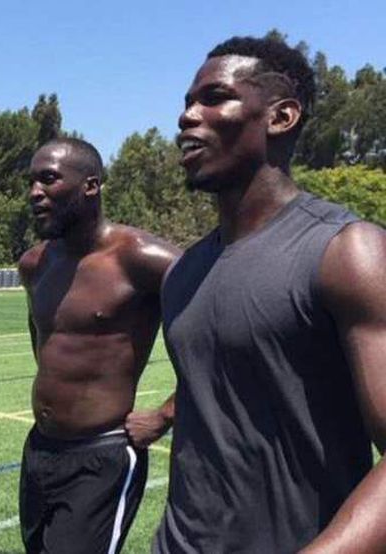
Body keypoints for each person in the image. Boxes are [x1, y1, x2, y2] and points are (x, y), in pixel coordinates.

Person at [149, 36, 386, 553]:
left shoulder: (347, 252)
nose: (188, 116)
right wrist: (161, 417)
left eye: (213, 97)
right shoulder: (184, 272)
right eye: (187, 102)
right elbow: (215, 393)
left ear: (280, 118)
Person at [18, 137, 180, 554]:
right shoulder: (35, 263)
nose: (35, 192)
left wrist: (166, 414)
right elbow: (43, 334)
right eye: (32, 182)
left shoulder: (143, 258)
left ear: (90, 185)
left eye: (49, 179)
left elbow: (226, 338)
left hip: (101, 457)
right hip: (39, 450)